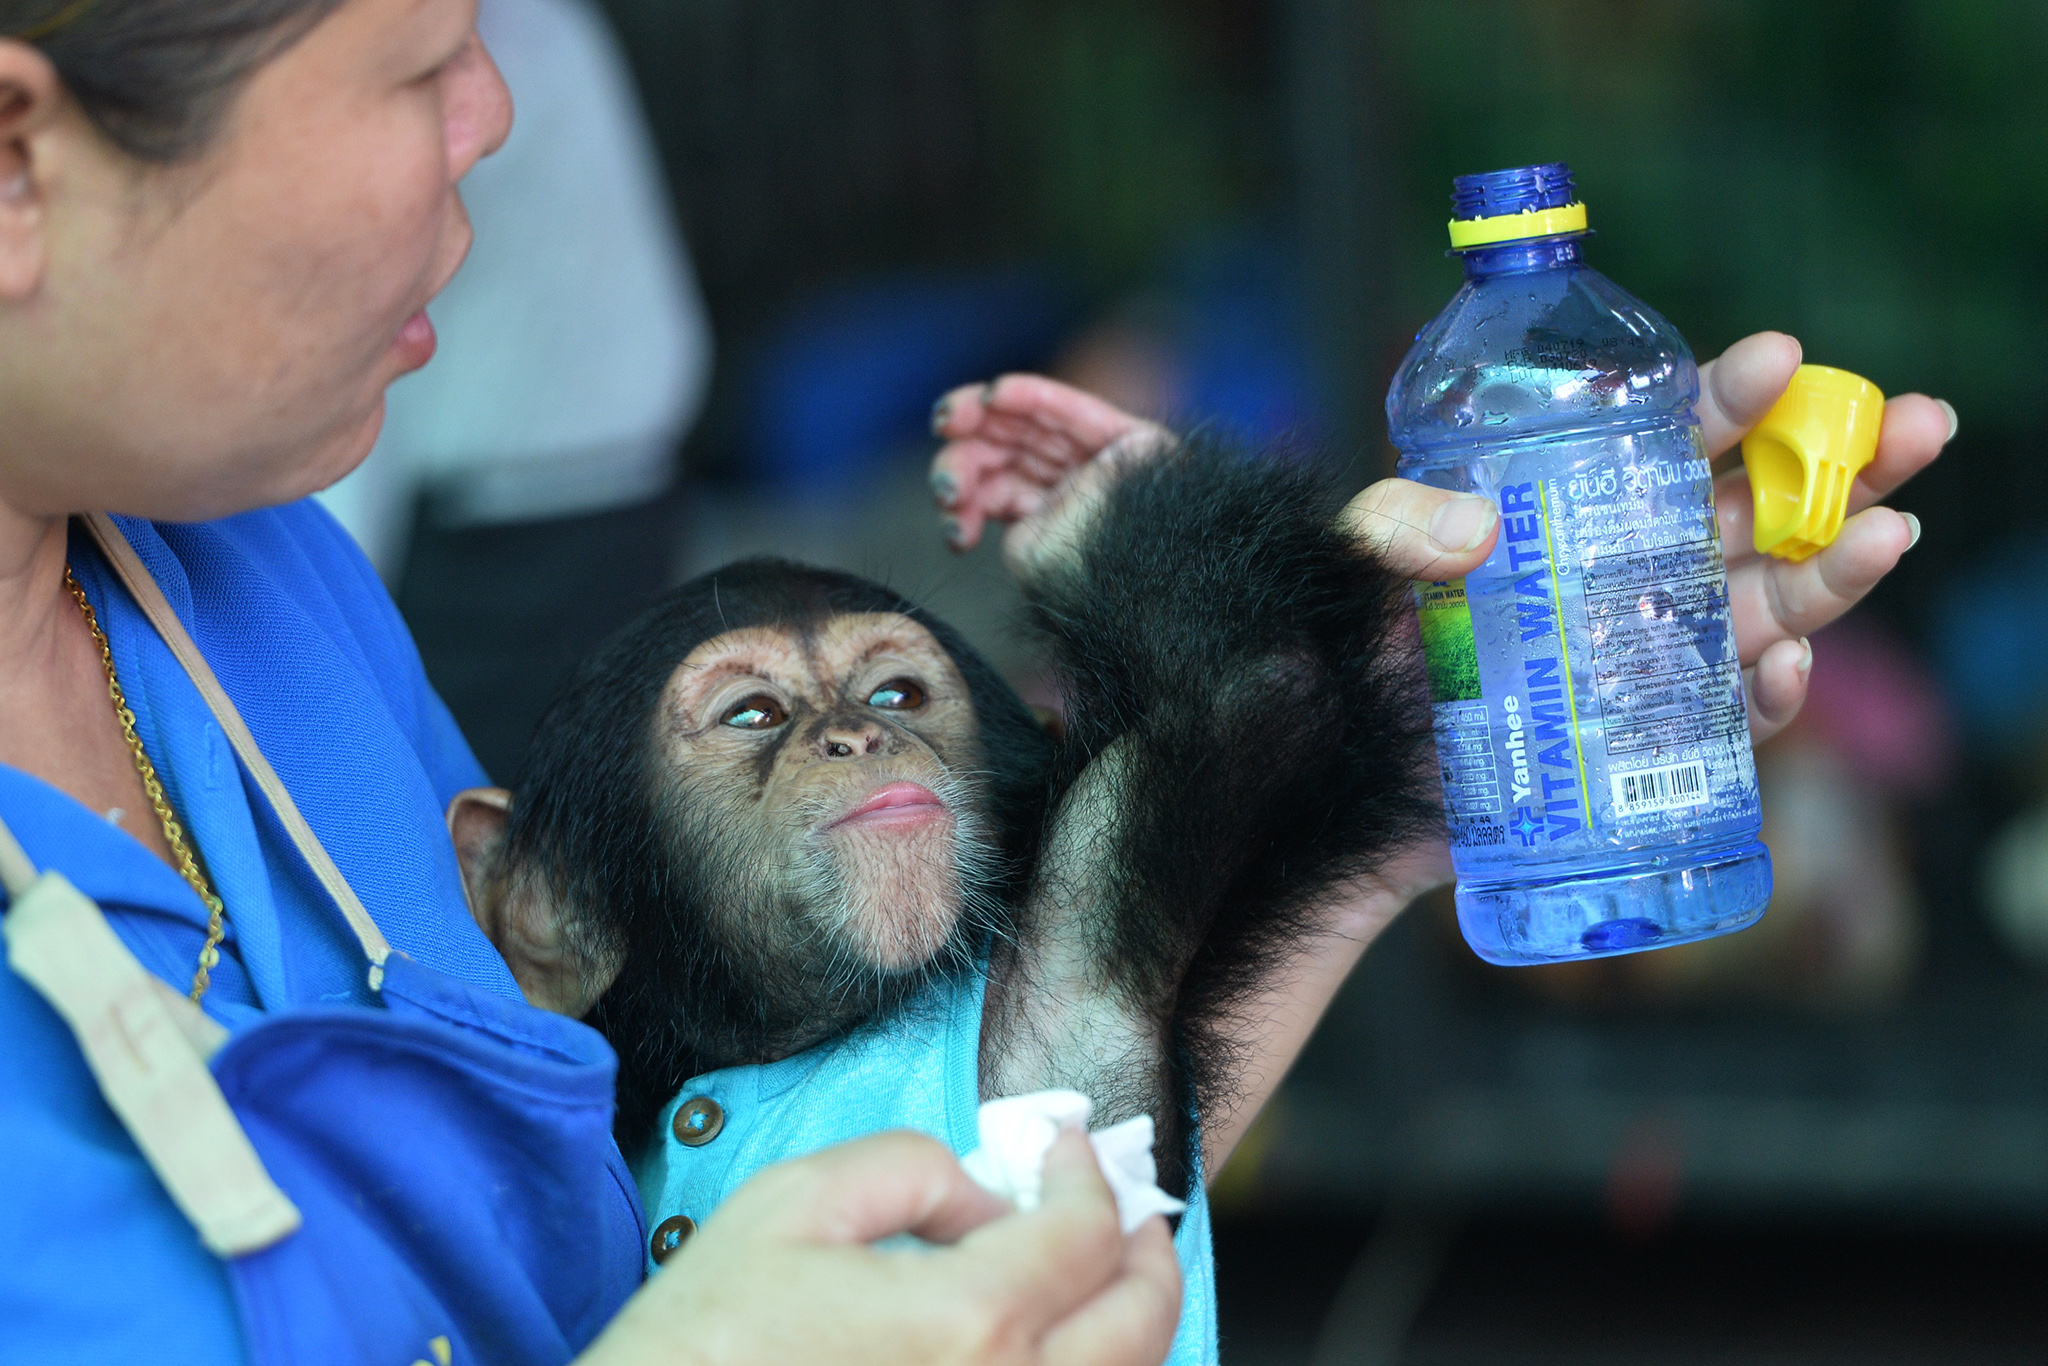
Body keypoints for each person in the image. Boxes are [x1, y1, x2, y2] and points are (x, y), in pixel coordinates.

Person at [0, 3, 1951, 1365]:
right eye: (423, 55)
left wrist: (1370, 772)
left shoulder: (249, 578)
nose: (505, 108)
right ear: (18, 156)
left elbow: (1060, 1094)